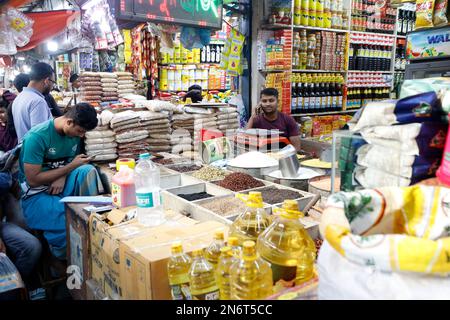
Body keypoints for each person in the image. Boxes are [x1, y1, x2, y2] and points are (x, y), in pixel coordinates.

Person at [19, 103, 101, 259]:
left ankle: (91, 213)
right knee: (69, 218)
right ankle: (61, 256)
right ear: (69, 122)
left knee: (87, 171)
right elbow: (33, 180)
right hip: (36, 193)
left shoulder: (72, 134)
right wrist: (67, 169)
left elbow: (69, 161)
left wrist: (62, 175)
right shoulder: (37, 137)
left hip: (58, 182)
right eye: (80, 131)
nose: (81, 136)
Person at [246, 88, 302, 152]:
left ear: (278, 101)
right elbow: (246, 140)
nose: (268, 104)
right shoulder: (256, 120)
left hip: (282, 158)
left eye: (271, 100)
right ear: (260, 103)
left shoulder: (288, 120)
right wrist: (252, 116)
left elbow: (296, 147)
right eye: (264, 101)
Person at [11, 63, 54, 141]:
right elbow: (40, 136)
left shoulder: (19, 97)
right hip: (36, 152)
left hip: (25, 149)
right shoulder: (37, 101)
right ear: (46, 81)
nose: (52, 86)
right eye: (53, 82)